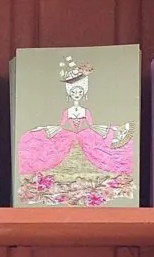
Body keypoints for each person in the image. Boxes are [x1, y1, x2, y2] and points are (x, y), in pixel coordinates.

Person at [16, 55, 135, 206]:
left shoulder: (85, 110)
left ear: (83, 92)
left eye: (79, 91)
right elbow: (62, 125)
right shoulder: (67, 111)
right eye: (74, 92)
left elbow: (91, 125)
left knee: (99, 144)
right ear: (69, 93)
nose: (76, 94)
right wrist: (44, 129)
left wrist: (107, 129)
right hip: (69, 134)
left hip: (85, 133)